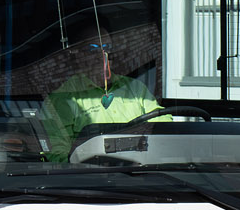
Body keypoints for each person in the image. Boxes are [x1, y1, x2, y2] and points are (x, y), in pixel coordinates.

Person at [40, 22, 165, 162]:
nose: (103, 55)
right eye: (93, 49)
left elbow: (162, 128)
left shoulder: (135, 88)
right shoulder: (62, 98)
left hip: (142, 171)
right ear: (77, 55)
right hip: (93, 177)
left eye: (107, 48)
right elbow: (58, 155)